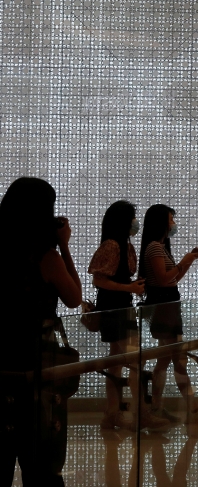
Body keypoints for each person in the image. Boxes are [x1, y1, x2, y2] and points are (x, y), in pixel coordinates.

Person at [0, 177, 82, 486]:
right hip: (36, 363)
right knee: (40, 461)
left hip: (2, 360)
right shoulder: (46, 257)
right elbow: (74, 298)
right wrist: (63, 245)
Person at [88, 201, 168, 432]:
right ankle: (141, 413)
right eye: (133, 217)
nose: (136, 222)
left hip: (120, 307)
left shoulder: (124, 245)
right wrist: (129, 289)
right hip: (115, 309)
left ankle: (111, 413)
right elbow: (98, 280)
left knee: (117, 361)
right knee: (134, 360)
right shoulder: (113, 246)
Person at [139, 204, 198, 424]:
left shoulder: (160, 247)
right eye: (170, 219)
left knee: (166, 358)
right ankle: (192, 409)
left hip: (168, 306)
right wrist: (184, 262)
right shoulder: (155, 248)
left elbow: (173, 279)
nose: (173, 224)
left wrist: (187, 262)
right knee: (176, 359)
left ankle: (159, 407)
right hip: (164, 307)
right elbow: (163, 279)